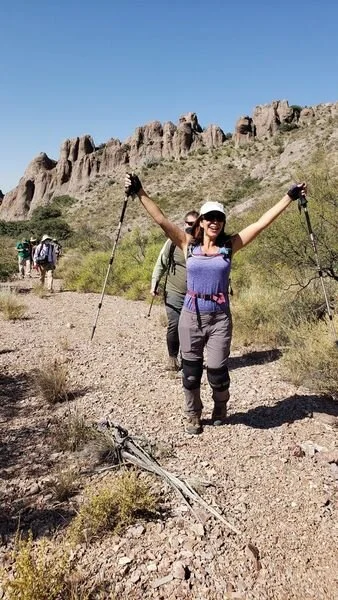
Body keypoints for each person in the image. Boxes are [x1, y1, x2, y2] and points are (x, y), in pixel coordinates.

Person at [125, 173, 307, 435]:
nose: (215, 222)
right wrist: (140, 191)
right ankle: (192, 414)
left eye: (219, 218)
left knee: (218, 373)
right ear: (201, 220)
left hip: (220, 317)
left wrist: (288, 197)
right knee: (190, 372)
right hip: (191, 314)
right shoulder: (188, 244)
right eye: (209, 217)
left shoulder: (229, 246)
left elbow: (261, 223)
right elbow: (160, 219)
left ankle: (220, 406)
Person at [151, 210, 198, 371]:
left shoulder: (203, 243)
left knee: (191, 327)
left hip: (194, 294)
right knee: (175, 323)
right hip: (173, 291)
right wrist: (154, 282)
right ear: (184, 223)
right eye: (189, 223)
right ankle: (172, 357)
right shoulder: (173, 241)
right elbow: (161, 263)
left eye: (195, 223)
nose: (192, 226)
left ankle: (188, 359)